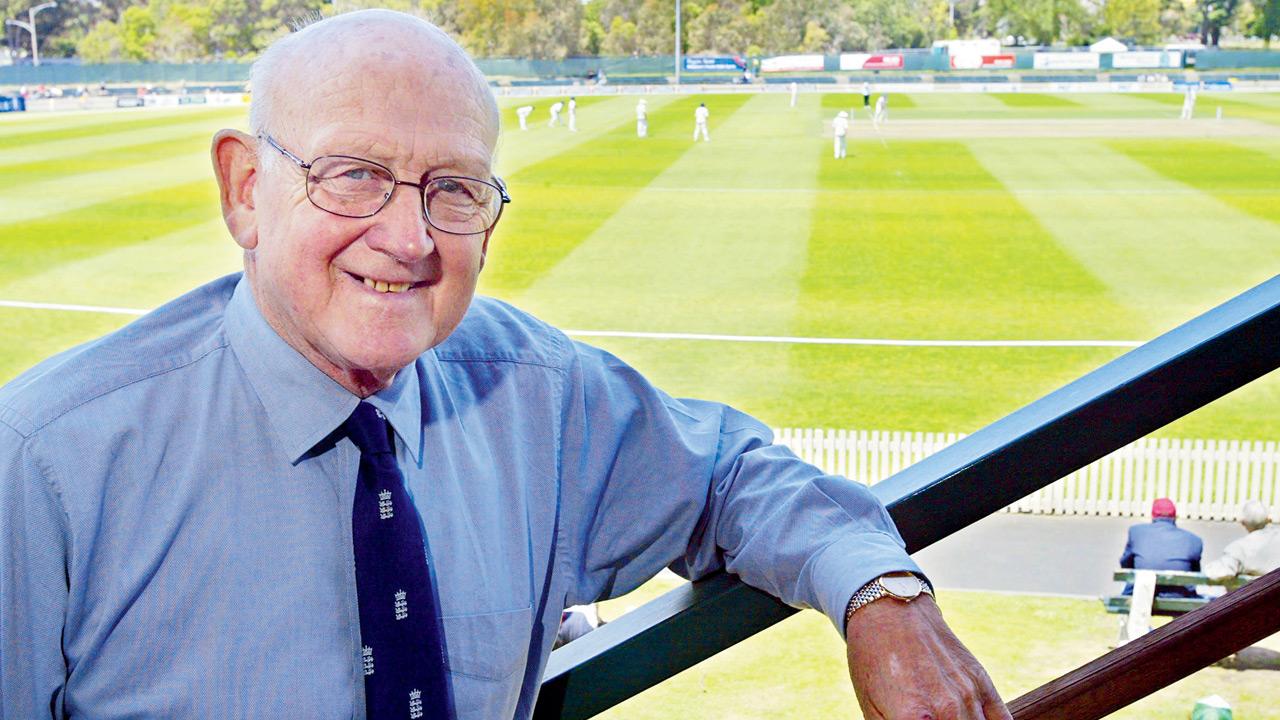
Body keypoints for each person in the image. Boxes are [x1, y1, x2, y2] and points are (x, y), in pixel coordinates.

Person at [0, 10, 1009, 720]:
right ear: (244, 191)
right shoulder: (48, 464)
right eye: (354, 177)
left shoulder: (538, 396)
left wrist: (881, 597)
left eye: (453, 189)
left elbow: (728, 477)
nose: (408, 238)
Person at [1120, 498, 1204, 598]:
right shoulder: (1194, 540)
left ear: (1152, 516)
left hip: (1141, 595)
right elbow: (1194, 572)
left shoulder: (1136, 532)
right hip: (1178, 596)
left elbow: (1125, 563)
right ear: (1175, 517)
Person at [1203, 500, 1280, 580]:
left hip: (1257, 591)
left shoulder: (1239, 548)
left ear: (1243, 523)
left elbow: (1219, 572)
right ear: (1268, 520)